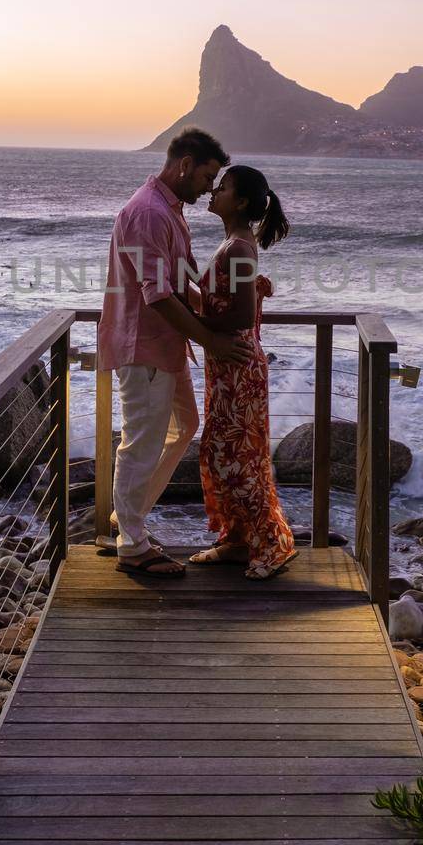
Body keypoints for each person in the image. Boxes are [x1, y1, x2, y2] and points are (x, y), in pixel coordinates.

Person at [96, 128, 253, 576]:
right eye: (207, 176)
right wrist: (211, 339)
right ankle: (132, 544)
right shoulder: (148, 212)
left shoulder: (170, 209)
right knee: (140, 444)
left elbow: (182, 277)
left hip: (167, 345)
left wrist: (232, 301)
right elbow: (157, 294)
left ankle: (128, 516)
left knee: (185, 425)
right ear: (185, 165)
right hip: (142, 345)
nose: (209, 187)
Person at [189, 164, 297, 580]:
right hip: (230, 366)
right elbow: (233, 303)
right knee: (226, 455)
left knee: (236, 459)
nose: (214, 191)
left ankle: (271, 545)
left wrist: (191, 321)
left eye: (225, 186)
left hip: (236, 366)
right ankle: (237, 540)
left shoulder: (237, 248)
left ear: (242, 202)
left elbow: (241, 313)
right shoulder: (236, 244)